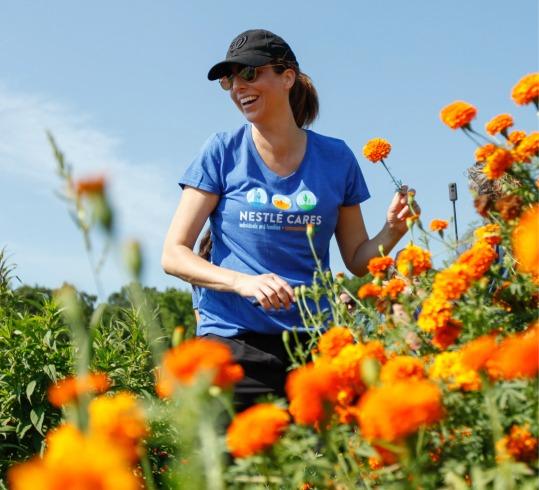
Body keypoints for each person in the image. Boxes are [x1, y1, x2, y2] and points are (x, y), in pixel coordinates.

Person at [161, 29, 419, 409]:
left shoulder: (337, 159)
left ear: (287, 76)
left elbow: (358, 259)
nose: (238, 87)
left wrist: (394, 230)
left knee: (322, 467)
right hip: (233, 341)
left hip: (314, 343)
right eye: (230, 79)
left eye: (249, 74)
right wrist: (242, 283)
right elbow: (174, 254)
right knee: (234, 467)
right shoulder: (221, 152)